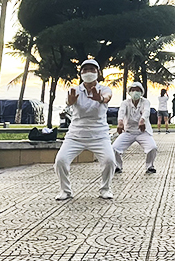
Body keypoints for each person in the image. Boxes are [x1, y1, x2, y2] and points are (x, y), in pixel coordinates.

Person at [54, 59, 115, 200]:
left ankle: (105, 189)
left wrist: (99, 98)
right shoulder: (74, 90)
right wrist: (70, 101)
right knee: (60, 161)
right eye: (85, 70)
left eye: (92, 70)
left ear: (98, 73)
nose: (88, 72)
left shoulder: (104, 89)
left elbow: (107, 97)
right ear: (80, 73)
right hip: (76, 135)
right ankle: (65, 191)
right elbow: (69, 101)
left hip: (99, 135)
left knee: (109, 161)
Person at [113, 82, 158, 174]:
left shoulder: (145, 102)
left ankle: (150, 166)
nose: (135, 92)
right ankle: (117, 166)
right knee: (114, 148)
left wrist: (142, 120)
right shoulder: (125, 103)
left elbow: (146, 111)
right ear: (129, 92)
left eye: (137, 90)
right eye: (132, 90)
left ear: (141, 92)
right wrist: (120, 122)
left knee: (152, 147)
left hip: (142, 131)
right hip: (128, 131)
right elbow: (121, 112)